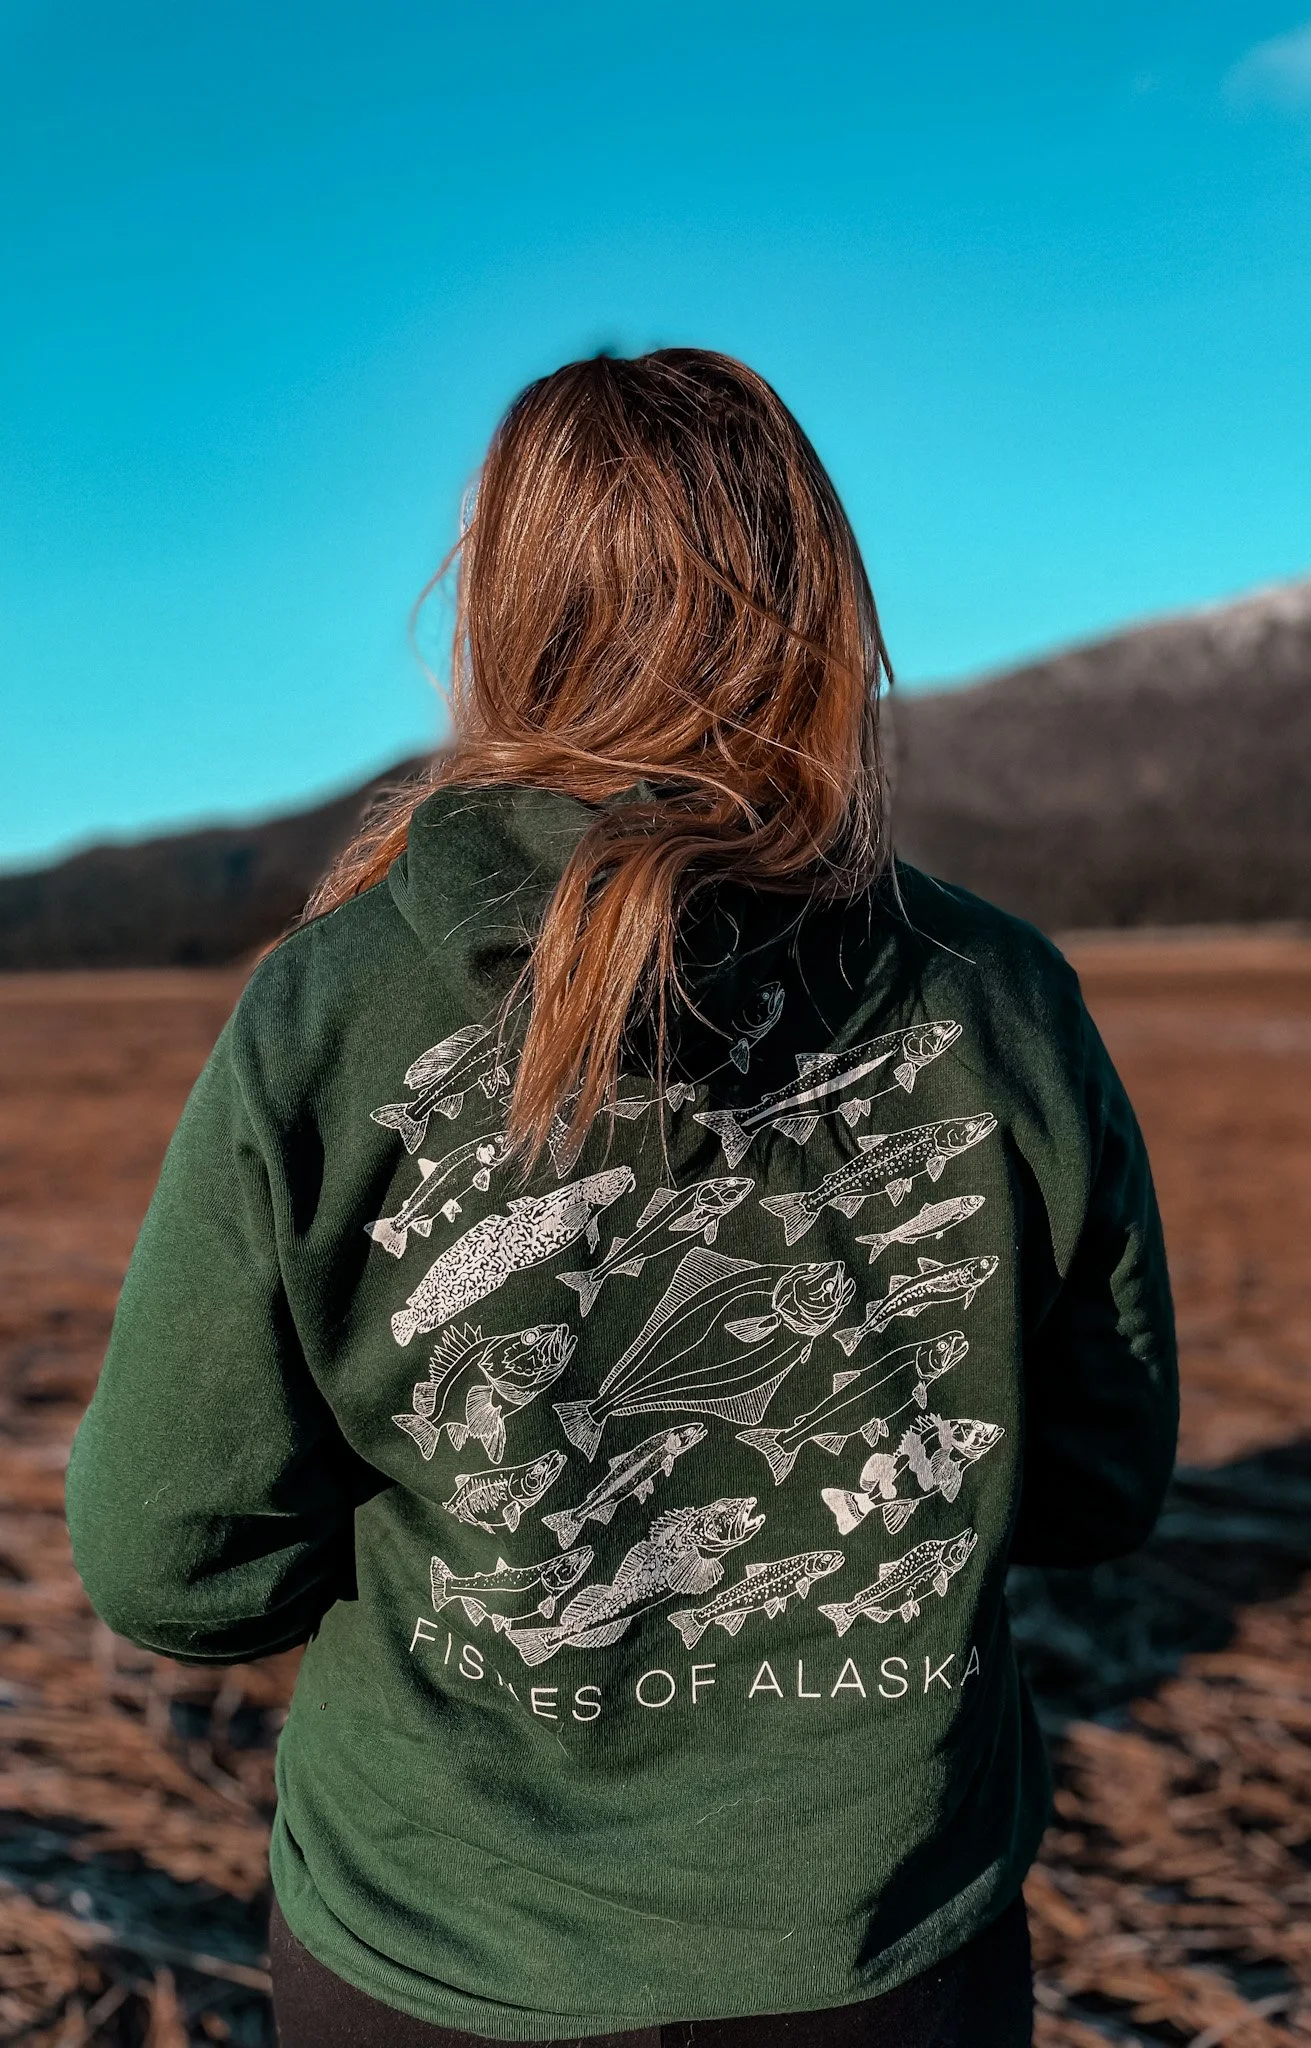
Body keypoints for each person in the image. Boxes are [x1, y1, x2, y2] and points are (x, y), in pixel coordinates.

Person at [65, 350, 1178, 2047]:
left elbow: (168, 1562)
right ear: (823, 606)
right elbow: (1099, 1484)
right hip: (887, 1959)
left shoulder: (330, 1005)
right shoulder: (1002, 996)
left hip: (437, 1957)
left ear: (502, 608)